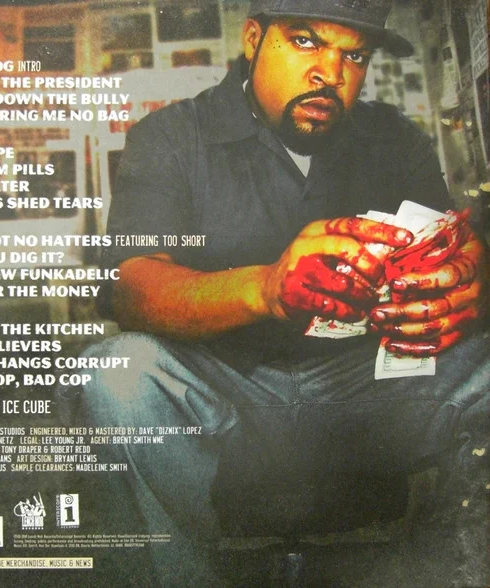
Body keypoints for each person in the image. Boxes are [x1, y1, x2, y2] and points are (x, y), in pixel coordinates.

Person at [58, 0, 489, 585]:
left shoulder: (394, 137)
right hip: (223, 392)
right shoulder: (171, 136)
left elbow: (453, 248)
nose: (330, 73)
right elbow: (132, 286)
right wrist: (266, 288)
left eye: (354, 55)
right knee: (114, 372)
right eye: (307, 42)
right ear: (254, 39)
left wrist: (464, 282)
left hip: (367, 390)